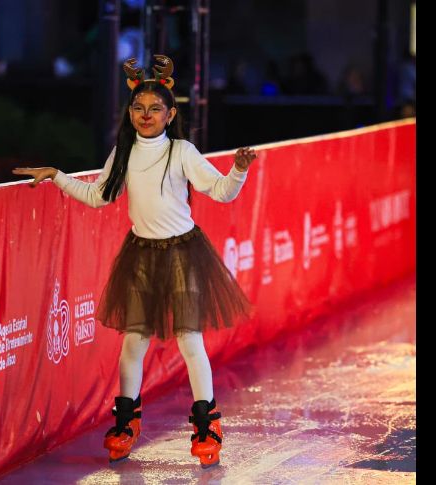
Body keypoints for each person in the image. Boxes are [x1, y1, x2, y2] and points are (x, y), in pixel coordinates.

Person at [13, 55, 256, 468]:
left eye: (155, 109)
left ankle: (206, 426)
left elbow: (219, 191)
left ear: (170, 113)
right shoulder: (123, 152)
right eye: (139, 108)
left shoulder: (181, 151)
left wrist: (238, 170)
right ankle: (126, 423)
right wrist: (57, 176)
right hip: (141, 255)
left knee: (189, 341)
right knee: (133, 343)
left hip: (182, 252)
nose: (146, 115)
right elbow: (98, 196)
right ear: (130, 112)